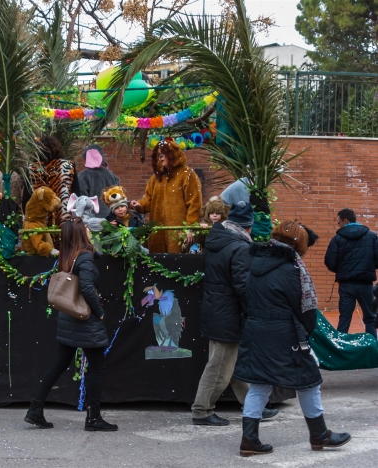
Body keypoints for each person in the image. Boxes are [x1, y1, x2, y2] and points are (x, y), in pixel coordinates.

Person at [234, 221, 351, 456]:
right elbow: (304, 308)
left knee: (259, 384)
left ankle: (249, 440)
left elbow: (247, 297)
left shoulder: (255, 263)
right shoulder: (291, 268)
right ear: (299, 244)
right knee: (309, 381)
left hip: (256, 331)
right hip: (284, 333)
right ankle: (319, 435)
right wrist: (308, 329)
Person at [24, 217, 117, 432]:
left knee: (58, 364)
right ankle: (93, 418)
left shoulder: (67, 256)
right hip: (85, 320)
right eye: (84, 227)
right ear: (79, 234)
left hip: (69, 319)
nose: (88, 228)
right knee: (97, 368)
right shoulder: (84, 257)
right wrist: (100, 312)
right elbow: (85, 287)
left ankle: (35, 409)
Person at [191, 201, 278, 426]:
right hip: (228, 313)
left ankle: (253, 405)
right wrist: (255, 309)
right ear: (247, 227)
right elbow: (243, 285)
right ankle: (202, 410)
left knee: (232, 362)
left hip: (217, 309)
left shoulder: (217, 241)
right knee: (219, 366)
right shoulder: (239, 247)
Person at [130, 140, 202, 253]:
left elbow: (195, 204)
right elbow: (148, 201)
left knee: (177, 263)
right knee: (156, 264)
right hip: (157, 231)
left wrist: (190, 227)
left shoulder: (187, 175)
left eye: (164, 154)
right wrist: (140, 204)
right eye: (159, 155)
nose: (161, 157)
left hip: (178, 232)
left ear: (172, 154)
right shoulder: (155, 179)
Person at [324, 208, 378, 337]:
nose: (338, 225)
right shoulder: (371, 236)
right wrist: (368, 267)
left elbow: (330, 261)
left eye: (339, 222)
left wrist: (342, 270)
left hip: (346, 284)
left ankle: (341, 351)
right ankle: (373, 350)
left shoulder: (337, 239)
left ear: (345, 220)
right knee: (370, 318)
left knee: (344, 318)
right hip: (366, 284)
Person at [27, 135, 81, 229]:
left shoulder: (32, 168)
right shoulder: (68, 165)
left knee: (41, 242)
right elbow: (77, 194)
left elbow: (26, 197)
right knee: (63, 242)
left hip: (39, 220)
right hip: (64, 219)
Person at [77, 145, 120, 218]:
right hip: (111, 218)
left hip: (90, 219)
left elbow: (81, 199)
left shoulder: (83, 176)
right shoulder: (112, 176)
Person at [22, 187, 61, 257]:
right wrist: (52, 251)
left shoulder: (39, 223)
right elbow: (38, 244)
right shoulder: (32, 225)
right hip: (35, 260)